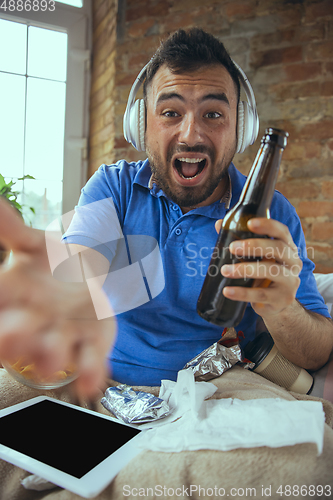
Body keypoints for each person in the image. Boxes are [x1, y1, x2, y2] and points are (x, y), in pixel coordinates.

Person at [0, 28, 332, 392]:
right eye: (171, 112)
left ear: (242, 127)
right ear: (142, 125)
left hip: (208, 390)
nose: (191, 135)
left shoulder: (270, 215)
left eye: (214, 114)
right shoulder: (114, 186)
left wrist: (280, 308)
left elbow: (314, 355)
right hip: (98, 379)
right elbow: (82, 259)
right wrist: (56, 287)